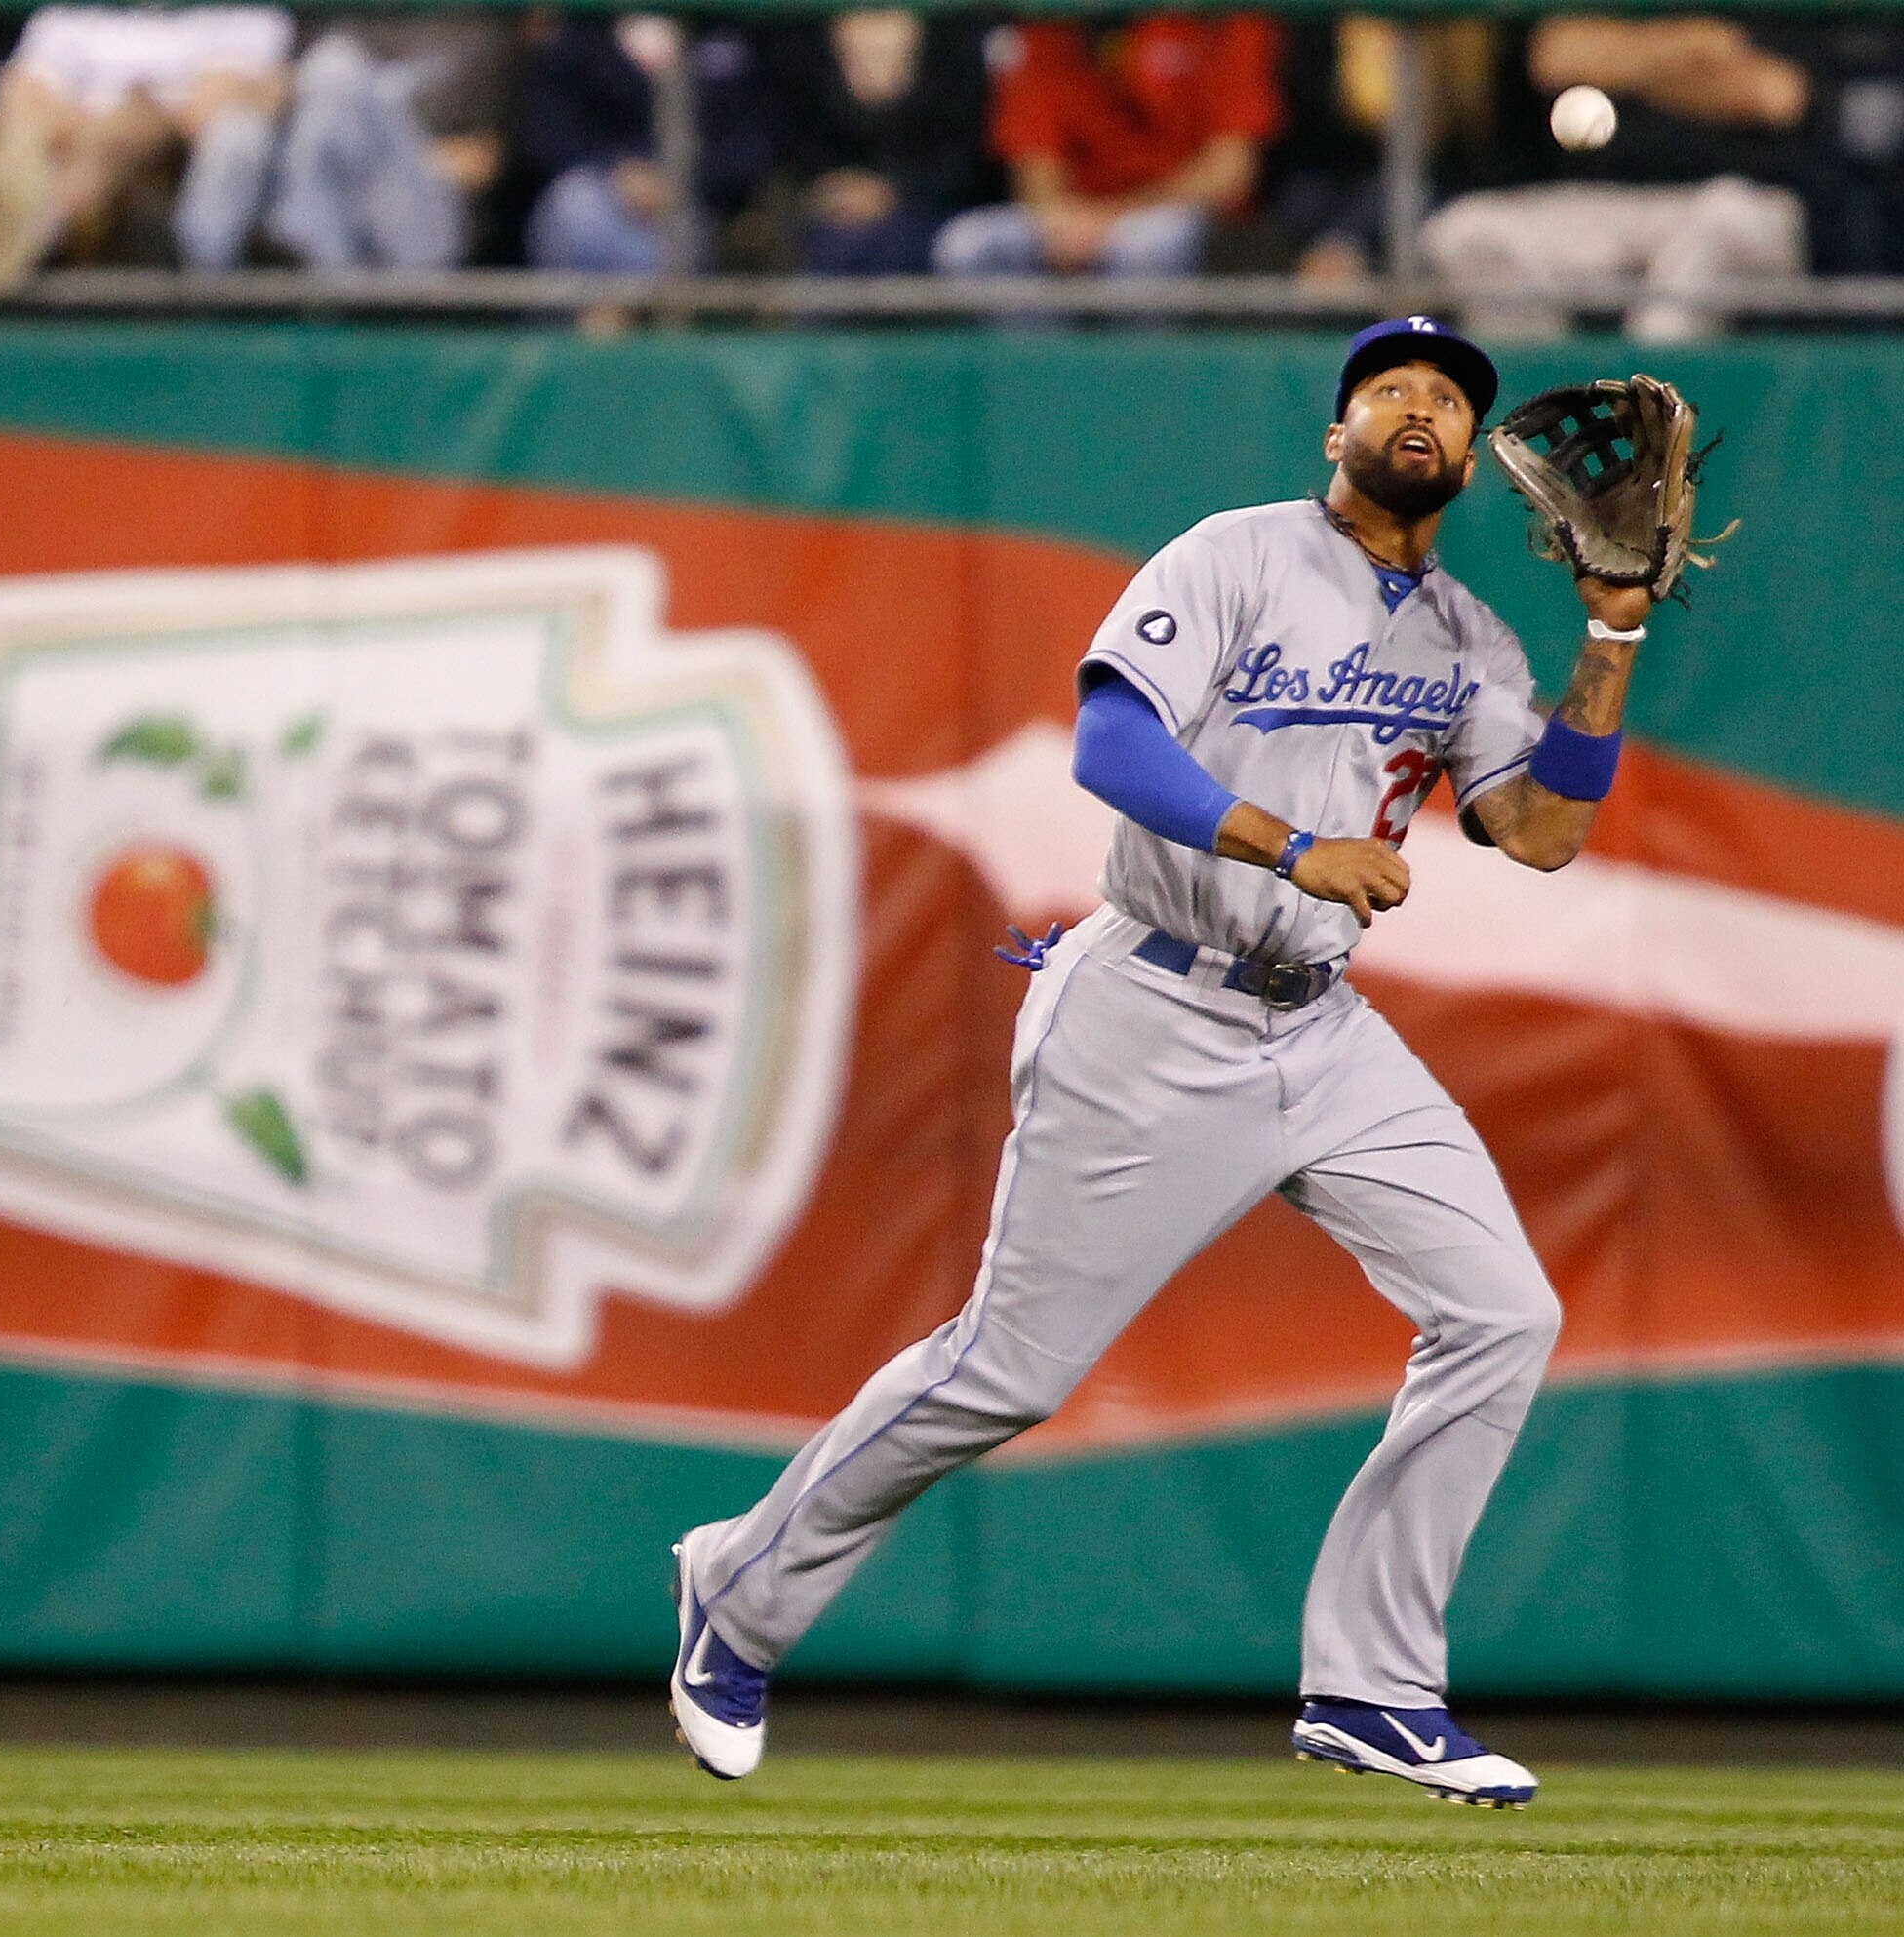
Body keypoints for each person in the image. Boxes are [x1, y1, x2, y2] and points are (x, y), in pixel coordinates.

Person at [670, 318, 1665, 1809]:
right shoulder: (1235, 556)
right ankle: (738, 1594)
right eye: (1386, 387)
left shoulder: (1473, 638)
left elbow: (1544, 828)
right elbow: (1111, 748)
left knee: (1501, 1309)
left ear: (1476, 458)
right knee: (1007, 1372)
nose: (1419, 405)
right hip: (1151, 999)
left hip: (1321, 1028)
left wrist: (1615, 634)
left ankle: (1373, 1687)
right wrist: (1291, 845)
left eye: (1448, 396)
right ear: (1335, 436)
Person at [1421, 15, 1821, 341]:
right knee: (1468, 232)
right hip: (1595, 201)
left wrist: (1618, 59)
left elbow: (1773, 95)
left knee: (1723, 229)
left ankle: (1653, 421)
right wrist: (1694, 50)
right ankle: (1540, 423)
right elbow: (1558, 56)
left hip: (1731, 197)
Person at [0, 5, 293, 295]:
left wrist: (119, 116)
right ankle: (20, 249)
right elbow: (23, 94)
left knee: (130, 128)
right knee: (13, 139)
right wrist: (98, 124)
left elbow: (207, 110)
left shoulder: (239, 12)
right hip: (75, 142)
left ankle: (16, 256)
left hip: (167, 149)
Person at [932, 12, 1280, 281]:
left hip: (1184, 217)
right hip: (1075, 217)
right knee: (969, 245)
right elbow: (1035, 168)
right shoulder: (1048, 28)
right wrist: (1063, 221)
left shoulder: (1220, 20)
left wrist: (1112, 219)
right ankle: (1030, 370)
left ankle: (1149, 375)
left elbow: (1230, 173)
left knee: (1148, 244)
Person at [515, 13, 774, 275]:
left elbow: (754, 147)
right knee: (577, 206)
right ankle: (607, 312)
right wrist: (616, 169)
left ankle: (622, 311)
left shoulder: (729, 36)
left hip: (700, 203)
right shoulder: (579, 35)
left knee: (679, 234)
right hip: (599, 190)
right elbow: (547, 136)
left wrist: (678, 182)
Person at [259, 13, 520, 273]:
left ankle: (308, 251)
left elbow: (482, 160)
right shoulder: (341, 21)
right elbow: (275, 101)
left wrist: (389, 157)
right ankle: (320, 273)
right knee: (331, 70)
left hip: (430, 221)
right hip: (337, 200)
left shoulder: (479, 29)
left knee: (335, 69)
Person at [766, 9, 993, 276]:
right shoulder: (800, 32)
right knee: (828, 248)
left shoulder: (956, 30)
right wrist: (834, 188)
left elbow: (964, 157)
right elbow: (793, 141)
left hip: (939, 208)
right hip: (830, 211)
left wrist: (893, 190)